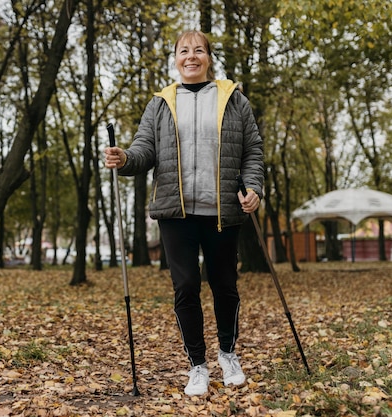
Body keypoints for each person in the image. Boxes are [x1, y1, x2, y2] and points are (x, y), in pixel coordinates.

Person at [104, 29, 263, 397]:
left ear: (209, 57)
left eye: (198, 50)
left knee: (225, 285)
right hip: (177, 214)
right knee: (186, 287)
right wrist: (124, 158)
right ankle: (197, 365)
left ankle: (228, 354)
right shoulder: (160, 103)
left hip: (222, 209)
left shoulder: (233, 100)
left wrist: (253, 189)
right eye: (183, 51)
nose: (190, 56)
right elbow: (144, 150)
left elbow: (252, 150)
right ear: (175, 59)